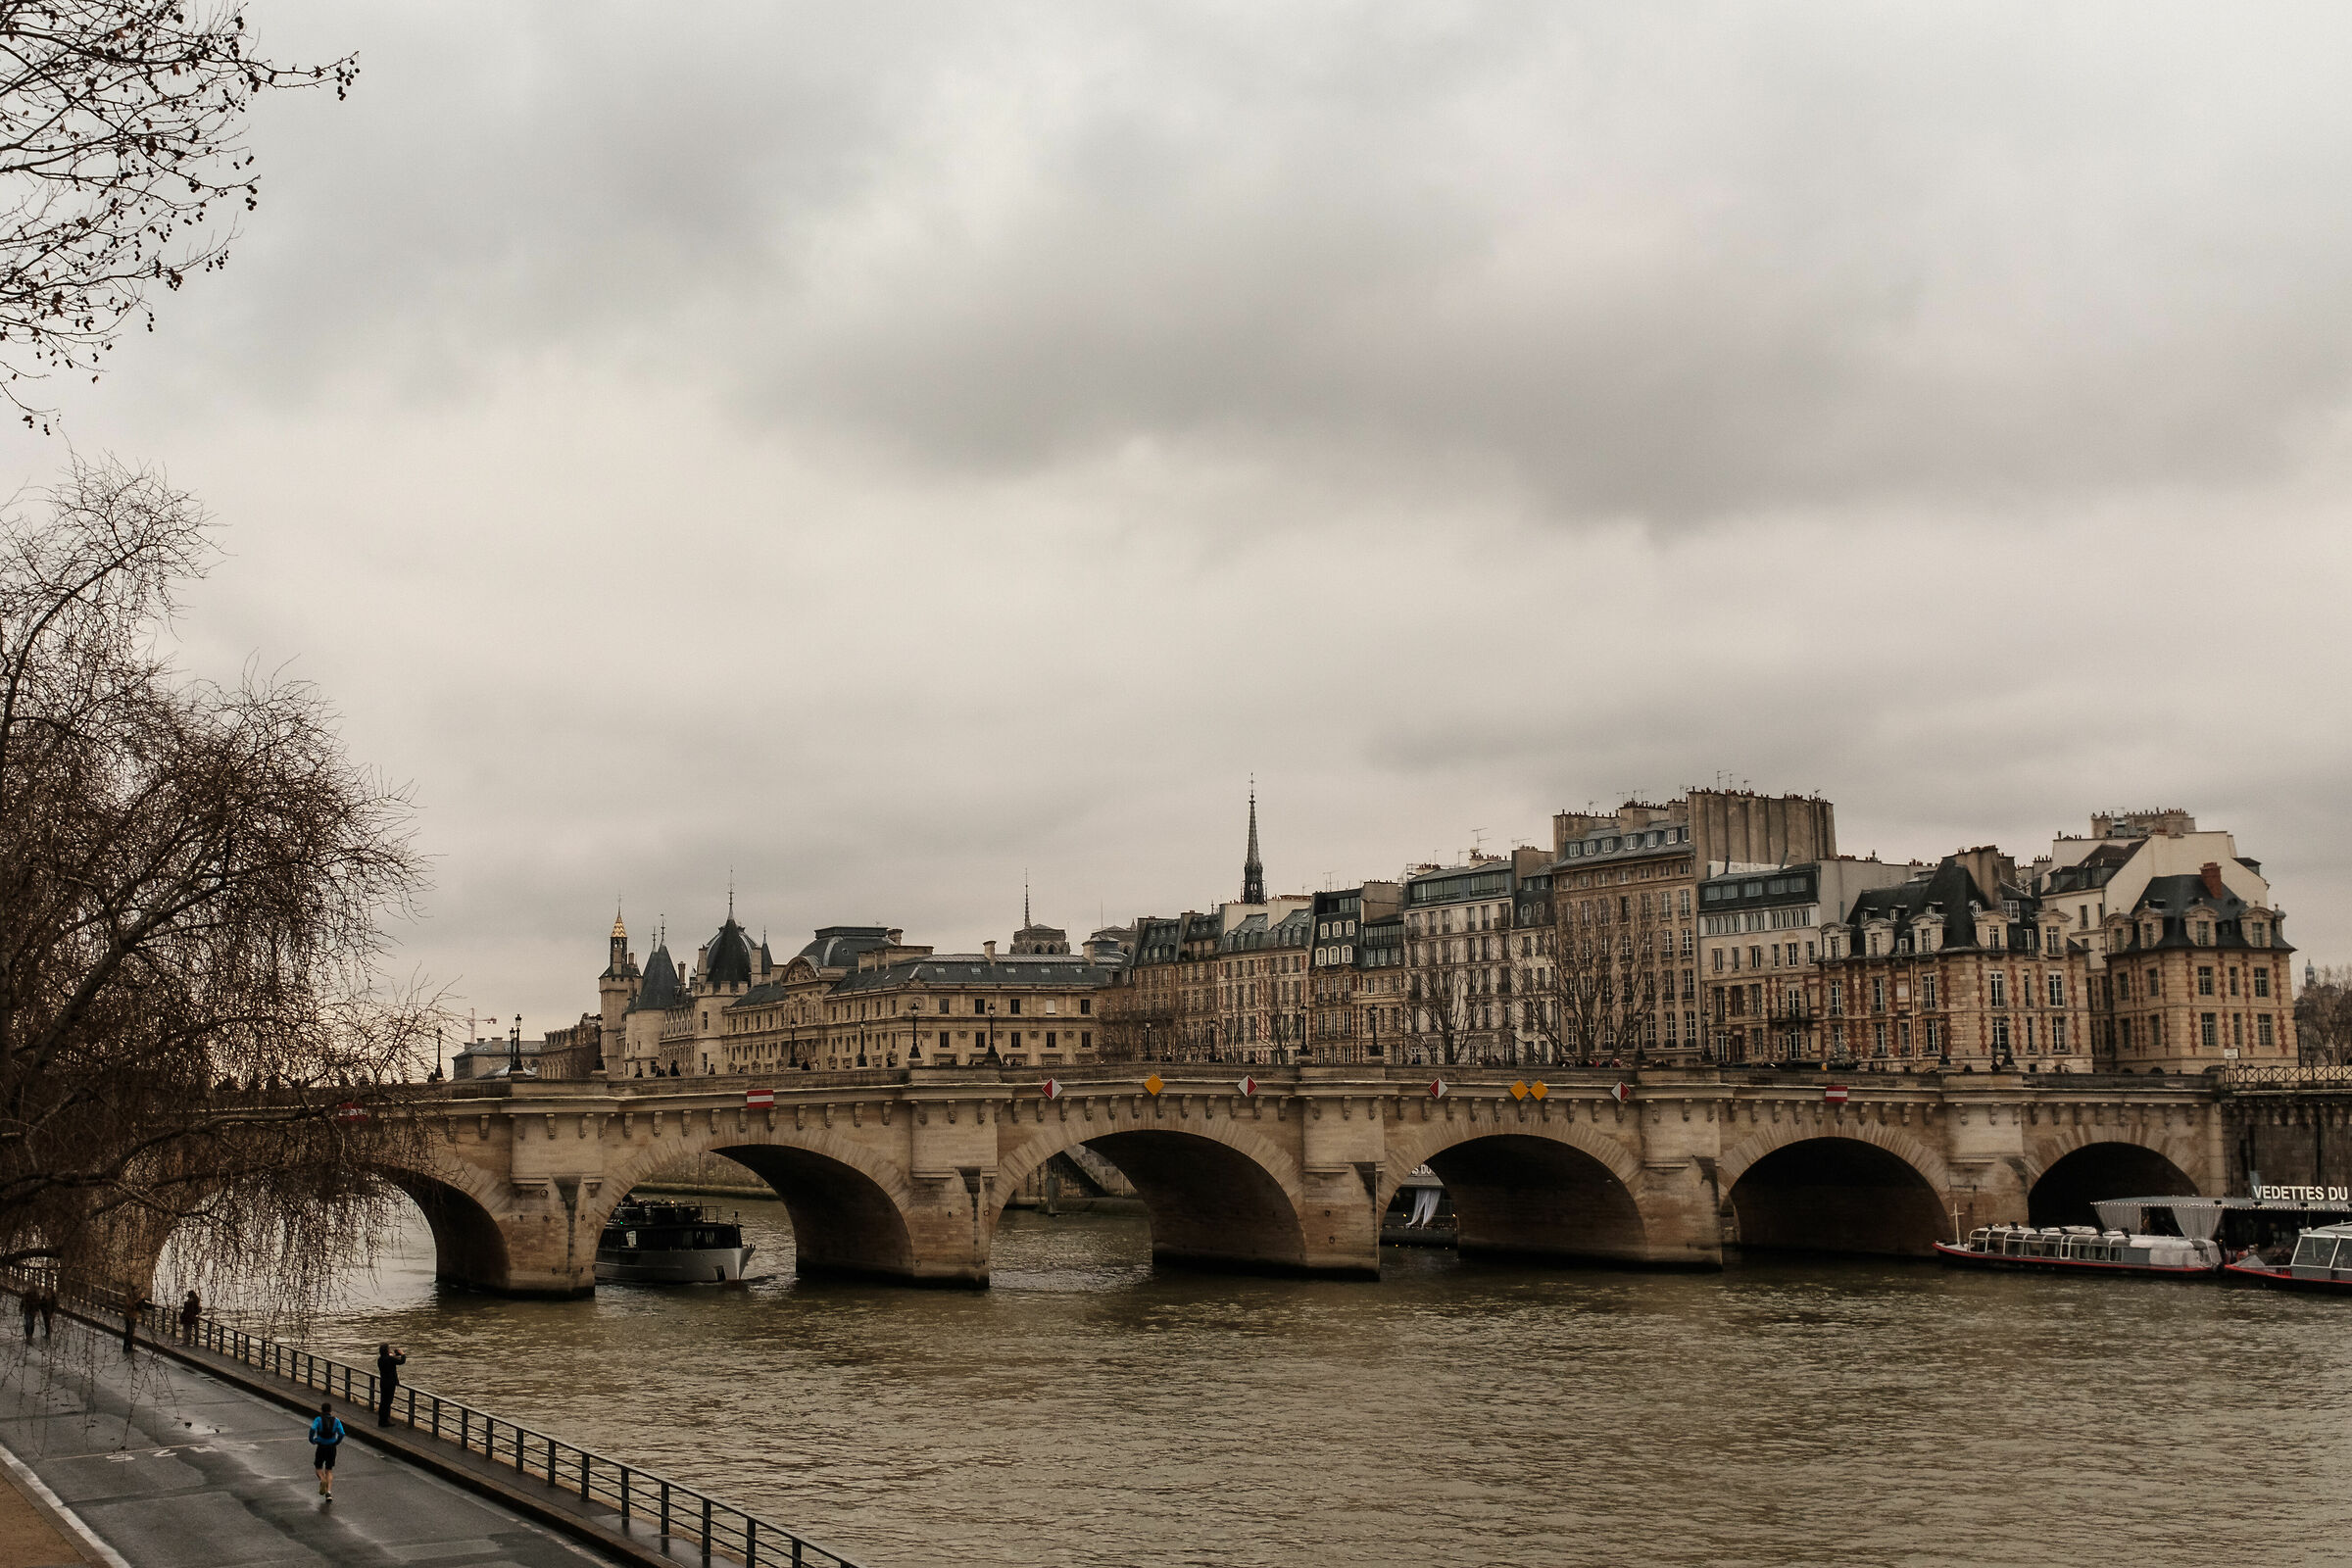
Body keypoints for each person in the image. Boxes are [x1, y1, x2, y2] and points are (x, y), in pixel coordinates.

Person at [309, 1401, 344, 1499]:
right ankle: (328, 1492)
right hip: (332, 1447)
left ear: (322, 1410)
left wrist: (311, 1439)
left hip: (321, 1446)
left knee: (318, 1467)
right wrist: (337, 1442)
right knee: (329, 1469)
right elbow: (342, 1433)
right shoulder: (336, 1420)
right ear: (330, 1410)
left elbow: (312, 1429)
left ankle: (322, 1479)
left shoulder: (318, 1419)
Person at [374, 1343, 406, 1427]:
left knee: (383, 1402)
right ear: (387, 1350)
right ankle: (385, 1421)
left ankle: (381, 1420)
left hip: (383, 1382)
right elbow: (401, 1361)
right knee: (388, 1402)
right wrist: (402, 1354)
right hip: (390, 1383)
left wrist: (394, 1355)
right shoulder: (390, 1359)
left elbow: (390, 1359)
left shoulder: (380, 1359)